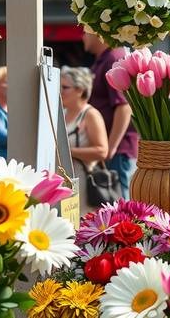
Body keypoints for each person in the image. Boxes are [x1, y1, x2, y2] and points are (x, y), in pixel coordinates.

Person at [84, 32, 136, 199]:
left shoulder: (113, 58)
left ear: (98, 35)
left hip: (117, 150)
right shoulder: (106, 58)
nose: (83, 37)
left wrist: (110, 148)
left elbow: (124, 106)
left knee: (120, 203)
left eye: (85, 32)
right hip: (109, 148)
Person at [61, 67, 109, 214]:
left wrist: (68, 151)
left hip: (83, 181)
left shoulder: (91, 114)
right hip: (62, 180)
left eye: (65, 87)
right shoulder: (61, 113)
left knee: (79, 224)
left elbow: (102, 151)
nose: (60, 92)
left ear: (80, 90)